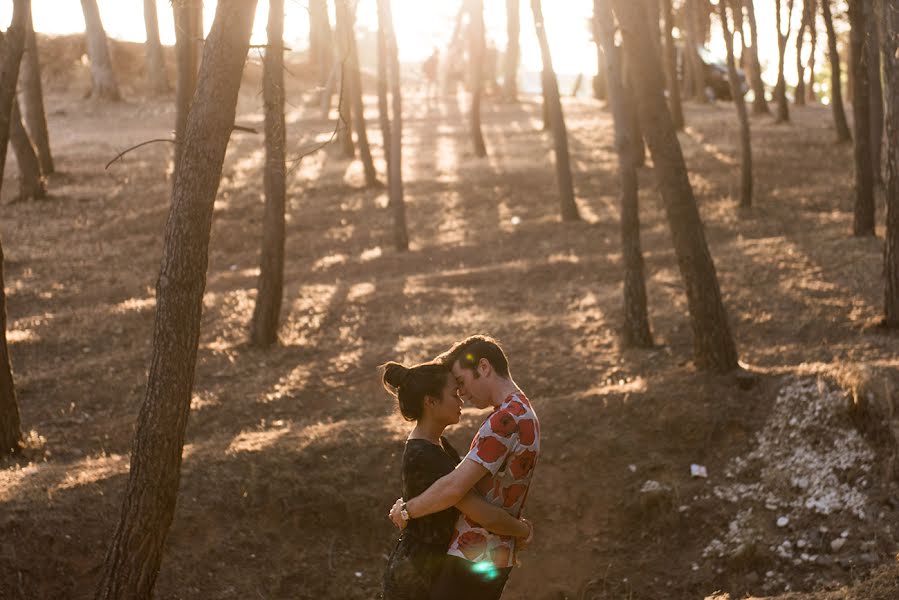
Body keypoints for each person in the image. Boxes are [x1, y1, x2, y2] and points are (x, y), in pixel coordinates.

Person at [389, 335, 540, 600]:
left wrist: (406, 510)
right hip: (490, 553)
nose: (462, 393)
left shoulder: (505, 419)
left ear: (483, 368)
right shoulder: (523, 411)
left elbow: (454, 488)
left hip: (474, 554)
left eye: (461, 382)